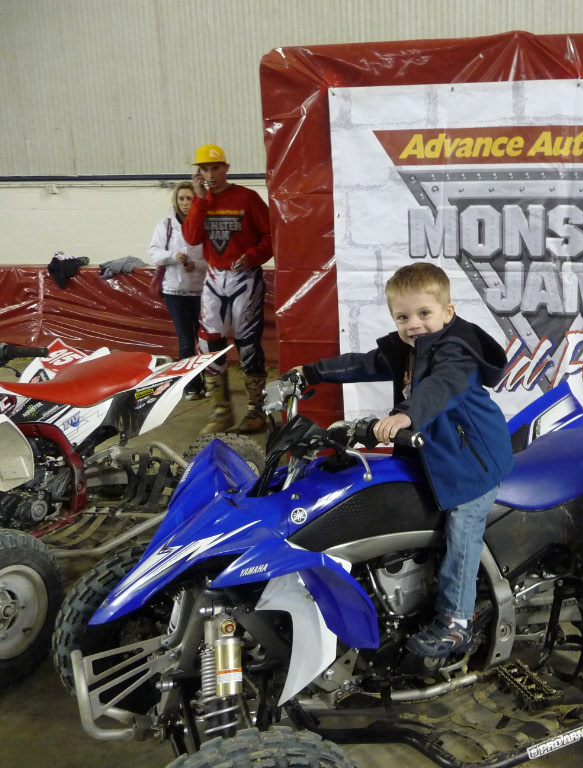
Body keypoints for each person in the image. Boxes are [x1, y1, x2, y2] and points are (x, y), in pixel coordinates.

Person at [296, 262, 514, 658]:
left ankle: (456, 621)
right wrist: (309, 373)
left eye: (424, 313)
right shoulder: (410, 350)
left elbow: (439, 387)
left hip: (472, 464)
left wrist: (404, 415)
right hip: (433, 455)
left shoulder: (456, 352)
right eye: (403, 317)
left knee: (462, 529)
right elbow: (364, 363)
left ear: (447, 312)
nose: (413, 324)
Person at [182, 144, 273, 434]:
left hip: (245, 276)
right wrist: (199, 200)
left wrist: (253, 256)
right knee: (209, 342)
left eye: (215, 168)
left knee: (248, 343)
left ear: (226, 168)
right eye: (204, 169)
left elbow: (272, 234)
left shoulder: (247, 197)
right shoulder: (201, 200)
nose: (210, 174)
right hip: (214, 276)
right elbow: (191, 238)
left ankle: (256, 410)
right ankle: (221, 410)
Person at [148, 180, 207, 399]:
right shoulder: (165, 225)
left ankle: (211, 384)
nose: (184, 203)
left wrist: (196, 265)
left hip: (203, 291)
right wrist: (173, 256)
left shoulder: (205, 224)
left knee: (207, 340)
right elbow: (154, 252)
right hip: (175, 292)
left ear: (196, 200)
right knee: (186, 340)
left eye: (189, 198)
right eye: (181, 198)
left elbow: (214, 258)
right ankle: (191, 386)